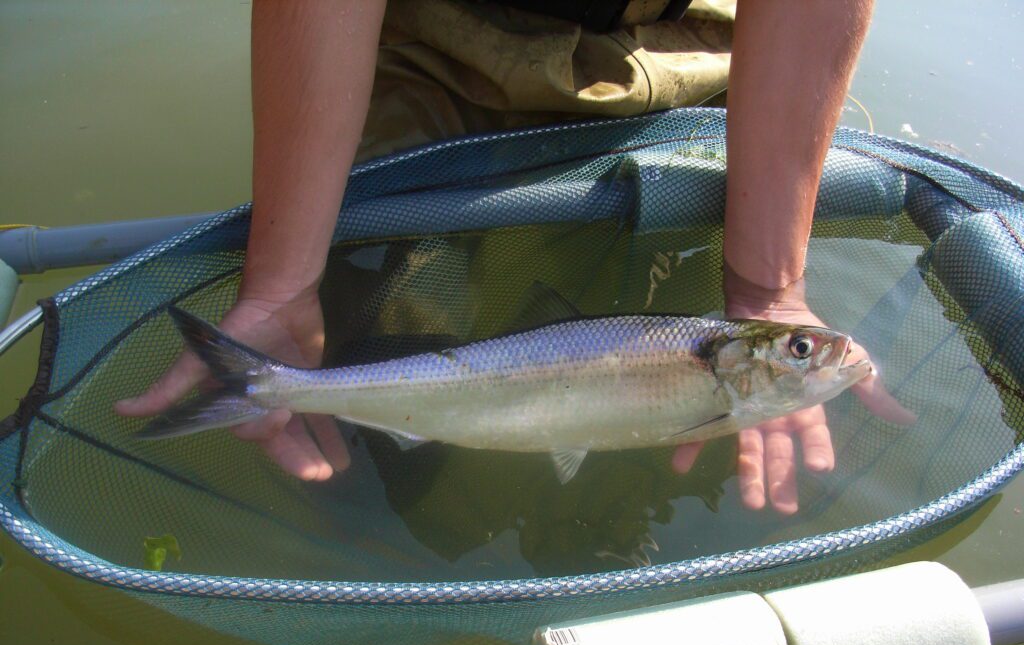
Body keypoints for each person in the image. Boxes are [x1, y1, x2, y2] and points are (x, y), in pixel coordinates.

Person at [116, 0, 913, 514]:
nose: (813, 353)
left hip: (678, 46)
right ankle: (323, 439)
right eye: (797, 353)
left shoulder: (725, 364)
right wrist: (285, 279)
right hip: (441, 33)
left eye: (800, 353)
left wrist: (768, 284)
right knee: (386, 436)